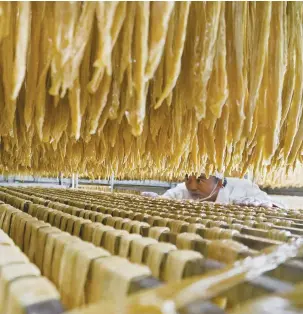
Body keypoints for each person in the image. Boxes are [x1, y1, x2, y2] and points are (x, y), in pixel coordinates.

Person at [141, 174, 287, 209]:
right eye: (187, 179)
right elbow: (165, 200)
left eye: (200, 180)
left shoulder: (244, 188)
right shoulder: (181, 191)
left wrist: (266, 206)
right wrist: (157, 201)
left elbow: (280, 207)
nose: (191, 187)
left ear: (219, 183)